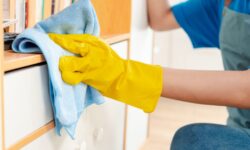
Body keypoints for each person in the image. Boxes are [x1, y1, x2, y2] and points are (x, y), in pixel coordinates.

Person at [48, 0, 250, 149]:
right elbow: (160, 19)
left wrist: (125, 75)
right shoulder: (221, 5)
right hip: (240, 129)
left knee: (195, 140)